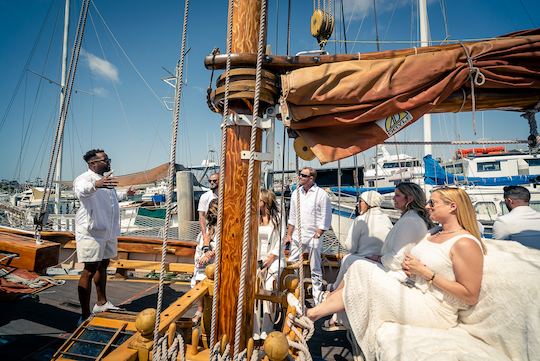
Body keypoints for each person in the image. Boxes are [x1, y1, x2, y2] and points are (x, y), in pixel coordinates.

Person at [306, 187, 486, 361]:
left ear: (452, 206)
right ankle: (314, 313)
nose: (427, 206)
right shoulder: (434, 233)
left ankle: (313, 314)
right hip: (415, 291)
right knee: (358, 268)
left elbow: (470, 295)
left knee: (359, 268)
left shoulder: (464, 243)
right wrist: (412, 268)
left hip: (435, 310)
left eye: (433, 202)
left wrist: (426, 273)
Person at [74, 149, 135, 323]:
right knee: (89, 269)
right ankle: (84, 314)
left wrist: (125, 194)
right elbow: (82, 192)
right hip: (92, 232)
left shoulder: (105, 180)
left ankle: (101, 303)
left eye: (108, 159)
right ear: (93, 163)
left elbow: (109, 198)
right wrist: (96, 184)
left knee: (104, 265)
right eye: (105, 159)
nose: (109, 162)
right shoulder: (84, 179)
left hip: (108, 231)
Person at [286, 167, 332, 305]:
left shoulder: (321, 195)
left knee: (315, 269)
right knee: (291, 264)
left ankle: (317, 299)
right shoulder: (296, 193)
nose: (299, 177)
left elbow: (325, 218)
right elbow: (292, 217)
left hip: (313, 237)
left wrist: (318, 235)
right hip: (297, 236)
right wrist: (288, 235)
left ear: (311, 178)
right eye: (299, 174)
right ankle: (293, 293)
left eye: (303, 175)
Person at [375, 182, 433, 270]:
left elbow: (397, 259)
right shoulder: (412, 218)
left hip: (397, 272)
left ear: (409, 199)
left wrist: (378, 259)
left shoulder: (410, 220)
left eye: (397, 195)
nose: (393, 198)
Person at [253, 189, 285, 340]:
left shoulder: (278, 218)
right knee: (252, 290)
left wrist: (271, 258)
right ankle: (254, 328)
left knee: (268, 288)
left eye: (258, 199)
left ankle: (267, 326)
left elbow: (281, 241)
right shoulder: (254, 218)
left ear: (265, 201)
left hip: (274, 258)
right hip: (257, 259)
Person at [191, 198, 218, 324]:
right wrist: (205, 253)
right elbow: (204, 244)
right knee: (199, 278)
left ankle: (207, 311)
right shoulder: (208, 229)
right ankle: (201, 309)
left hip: (216, 262)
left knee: (205, 276)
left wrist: (209, 253)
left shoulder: (223, 229)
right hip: (205, 261)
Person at [198, 172, 219, 249]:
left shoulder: (226, 195)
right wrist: (204, 234)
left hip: (222, 228)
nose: (212, 183)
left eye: (214, 180)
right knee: (205, 250)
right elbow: (201, 216)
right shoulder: (205, 197)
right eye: (210, 181)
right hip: (210, 228)